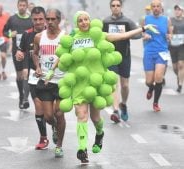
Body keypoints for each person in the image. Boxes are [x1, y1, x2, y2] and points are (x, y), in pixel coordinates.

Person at [61, 10, 159, 163]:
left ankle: (99, 134)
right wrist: (48, 73)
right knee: (81, 115)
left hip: (96, 83)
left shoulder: (98, 35)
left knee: (95, 118)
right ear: (76, 23)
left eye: (86, 19)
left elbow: (121, 36)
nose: (84, 22)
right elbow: (61, 57)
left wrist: (142, 29)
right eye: (80, 20)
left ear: (90, 20)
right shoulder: (71, 39)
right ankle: (82, 149)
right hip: (79, 84)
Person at [33, 8, 66, 158]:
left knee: (59, 113)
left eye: (54, 19)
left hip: (62, 82)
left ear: (59, 20)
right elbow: (34, 54)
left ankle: (59, 145)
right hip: (46, 81)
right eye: (48, 19)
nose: (50, 22)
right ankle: (54, 129)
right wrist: (38, 67)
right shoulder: (39, 37)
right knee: (48, 116)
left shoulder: (66, 38)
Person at [15, 6, 49, 149]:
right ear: (31, 20)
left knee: (50, 114)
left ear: (45, 19)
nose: (38, 22)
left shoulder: (52, 34)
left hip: (51, 77)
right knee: (39, 108)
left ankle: (54, 127)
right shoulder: (27, 34)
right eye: (35, 19)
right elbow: (21, 51)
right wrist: (19, 56)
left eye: (41, 19)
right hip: (35, 76)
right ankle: (43, 138)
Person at [103, 0, 141, 122]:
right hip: (111, 57)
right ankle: (115, 111)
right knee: (114, 84)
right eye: (113, 6)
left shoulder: (127, 21)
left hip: (124, 56)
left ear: (121, 7)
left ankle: (123, 104)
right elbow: (100, 37)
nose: (115, 8)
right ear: (110, 7)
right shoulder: (106, 22)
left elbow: (137, 34)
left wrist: (126, 35)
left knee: (124, 85)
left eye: (118, 5)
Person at [141, 0, 172, 112]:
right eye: (153, 6)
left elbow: (169, 32)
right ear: (151, 8)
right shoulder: (146, 19)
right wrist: (145, 35)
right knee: (149, 81)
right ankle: (151, 88)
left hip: (162, 51)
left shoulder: (166, 19)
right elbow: (142, 32)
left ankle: (155, 103)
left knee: (158, 77)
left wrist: (169, 36)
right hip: (149, 51)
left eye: (158, 6)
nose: (155, 8)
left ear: (161, 8)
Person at [3, 0, 33, 109]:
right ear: (17, 6)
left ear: (27, 6)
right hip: (17, 51)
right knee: (20, 75)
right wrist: (10, 34)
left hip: (29, 51)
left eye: (24, 5)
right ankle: (21, 96)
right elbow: (4, 31)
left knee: (27, 74)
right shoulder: (12, 19)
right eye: (20, 5)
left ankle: (25, 98)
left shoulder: (31, 20)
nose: (22, 7)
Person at [169, 4, 184, 93]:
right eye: (176, 10)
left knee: (181, 64)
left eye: (179, 10)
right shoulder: (170, 20)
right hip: (173, 46)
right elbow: (168, 31)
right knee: (175, 67)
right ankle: (179, 76)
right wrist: (170, 32)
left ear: (182, 11)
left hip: (182, 46)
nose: (177, 11)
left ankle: (180, 85)